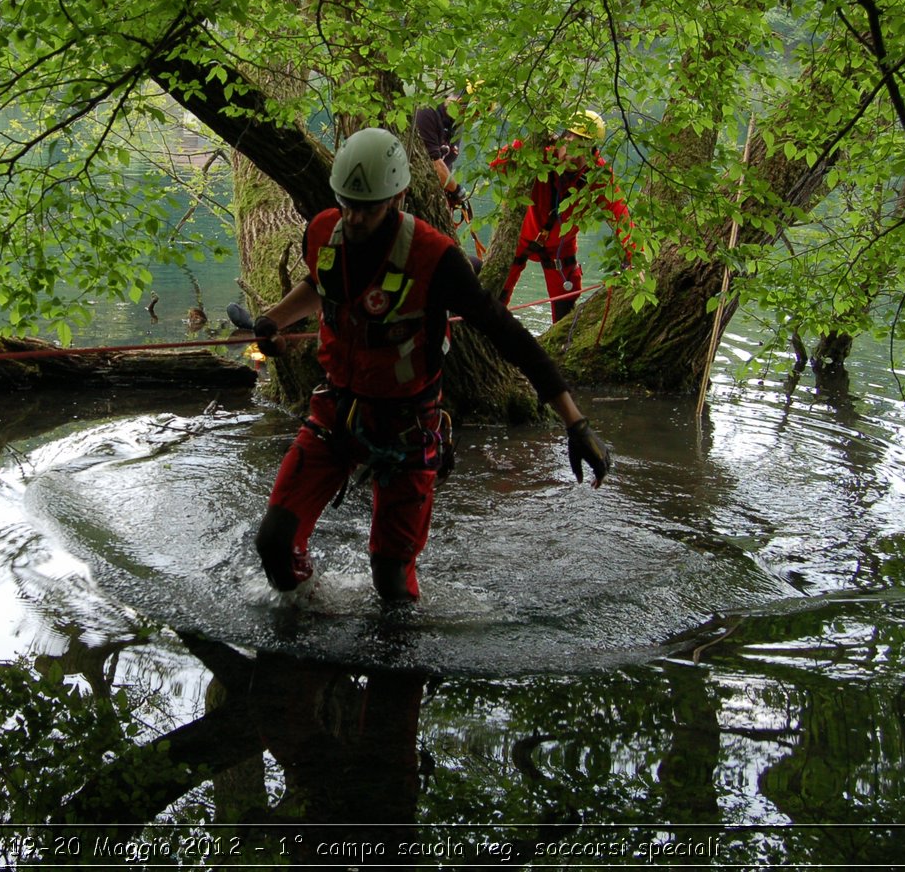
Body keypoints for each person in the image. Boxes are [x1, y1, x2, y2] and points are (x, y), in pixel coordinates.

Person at [250, 127, 613, 602]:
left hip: (408, 427)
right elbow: (322, 286)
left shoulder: (435, 257)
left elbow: (509, 336)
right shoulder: (323, 232)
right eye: (348, 204)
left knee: (391, 581)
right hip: (337, 413)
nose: (355, 218)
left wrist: (575, 423)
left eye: (369, 207)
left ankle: (400, 662)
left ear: (398, 196)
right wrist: (273, 322)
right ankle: (306, 623)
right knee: (274, 543)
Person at [495, 109, 635, 322]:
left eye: (584, 152)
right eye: (572, 146)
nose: (575, 158)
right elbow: (497, 164)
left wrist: (636, 259)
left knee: (566, 310)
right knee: (497, 293)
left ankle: (558, 348)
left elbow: (621, 217)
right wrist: (523, 146)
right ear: (563, 138)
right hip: (520, 236)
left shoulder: (598, 174)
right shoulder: (538, 153)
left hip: (561, 247)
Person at [412, 89, 472, 220]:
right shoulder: (427, 112)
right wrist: (456, 190)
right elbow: (433, 164)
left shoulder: (457, 125)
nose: (473, 117)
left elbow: (447, 163)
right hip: (414, 190)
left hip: (438, 192)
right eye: (474, 111)